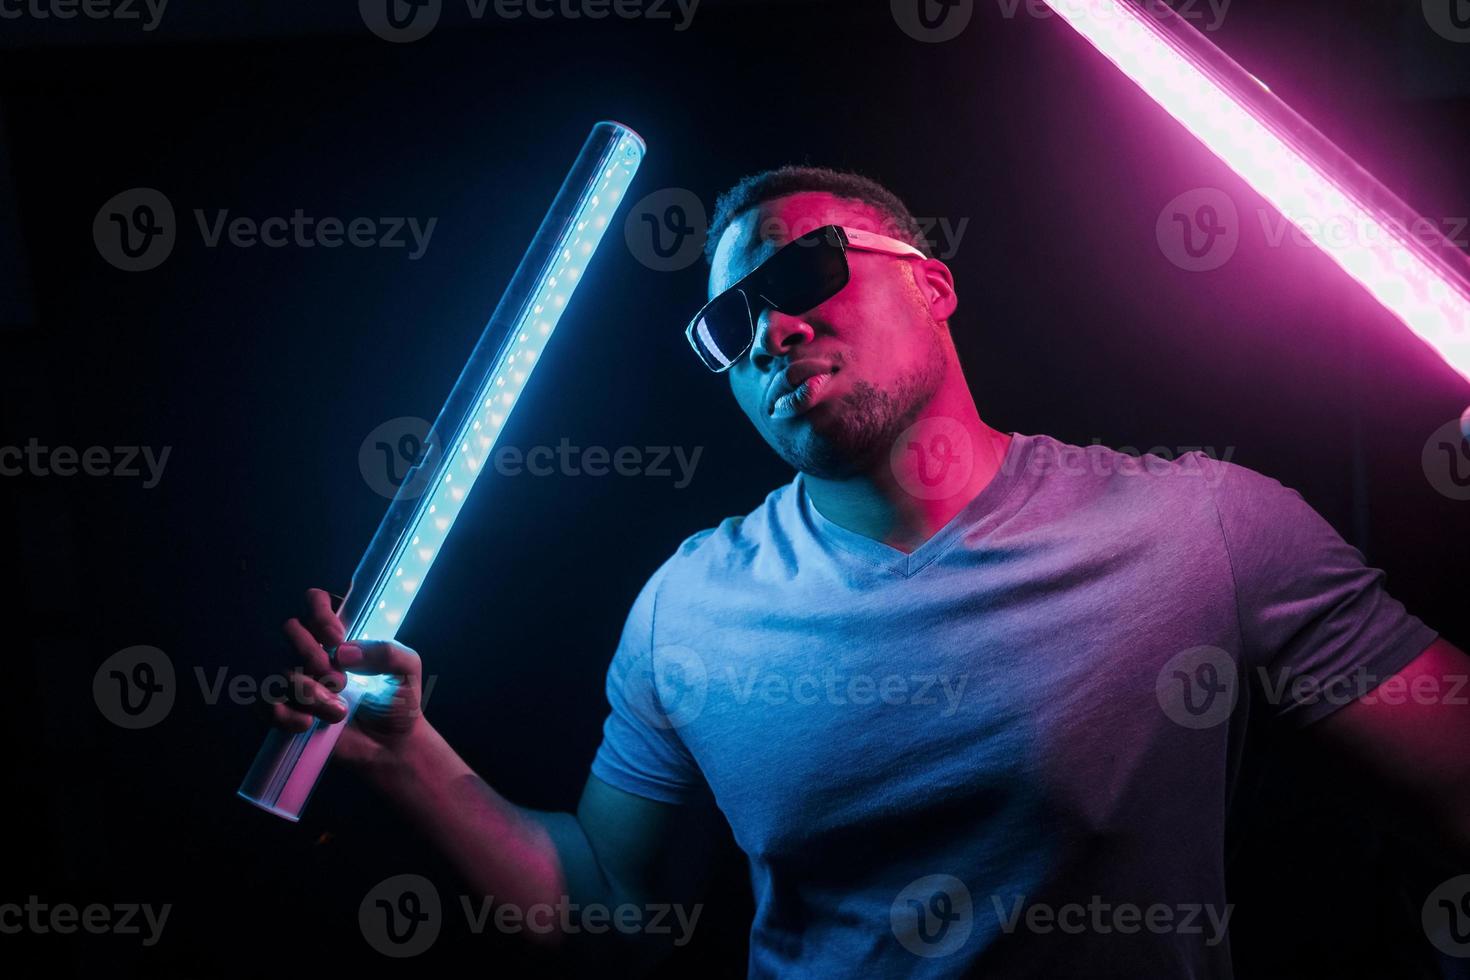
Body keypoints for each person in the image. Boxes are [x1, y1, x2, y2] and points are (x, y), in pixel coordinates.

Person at [267, 167, 1470, 977]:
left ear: (934, 285)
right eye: (728, 327)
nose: (773, 330)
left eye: (801, 276)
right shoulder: (689, 605)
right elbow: (607, 901)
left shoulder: (1200, 524)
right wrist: (406, 752)